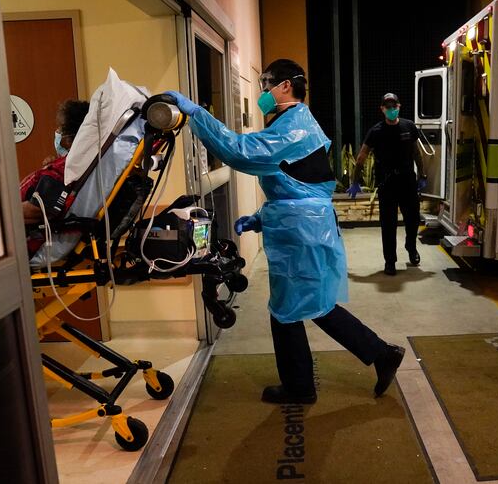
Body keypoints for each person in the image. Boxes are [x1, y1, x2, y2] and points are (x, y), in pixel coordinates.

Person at [165, 59, 405, 405]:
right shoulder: (296, 124)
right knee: (314, 304)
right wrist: (261, 217)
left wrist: (195, 115)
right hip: (304, 228)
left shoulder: (293, 126)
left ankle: (301, 386)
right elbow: (298, 185)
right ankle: (380, 354)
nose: (263, 93)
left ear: (286, 86)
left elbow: (240, 151)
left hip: (300, 235)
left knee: (286, 310)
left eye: (266, 86)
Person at [347, 93, 426, 276]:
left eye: (394, 106)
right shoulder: (376, 131)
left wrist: (422, 174)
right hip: (387, 183)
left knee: (413, 220)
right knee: (388, 224)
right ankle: (390, 261)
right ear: (382, 109)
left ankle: (411, 247)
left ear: (399, 106)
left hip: (407, 181)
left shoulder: (409, 127)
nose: (391, 110)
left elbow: (416, 153)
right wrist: (355, 181)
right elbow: (361, 158)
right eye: (387, 107)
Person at [20, 99, 89, 224]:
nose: (57, 131)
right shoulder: (73, 163)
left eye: (61, 128)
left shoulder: (65, 168)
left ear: (68, 138)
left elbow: (37, 210)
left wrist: (0, 210)